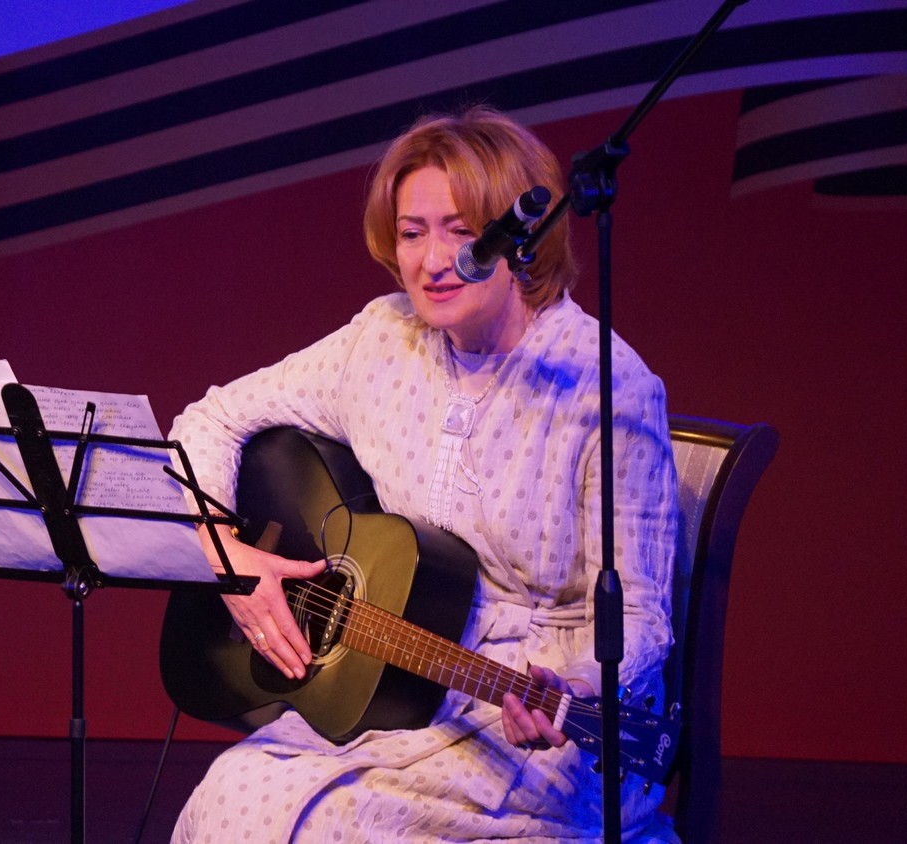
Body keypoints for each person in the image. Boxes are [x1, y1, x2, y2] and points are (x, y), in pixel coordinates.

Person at [168, 106, 680, 843]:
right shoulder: (383, 340)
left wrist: (577, 685)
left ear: (522, 237)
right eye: (412, 233)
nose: (433, 261)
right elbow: (213, 417)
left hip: (535, 720)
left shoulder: (605, 386)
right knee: (230, 792)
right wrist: (228, 557)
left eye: (461, 232)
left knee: (322, 826)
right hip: (393, 682)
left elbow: (641, 616)